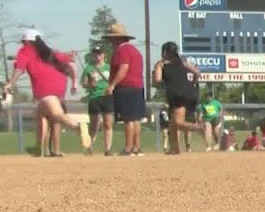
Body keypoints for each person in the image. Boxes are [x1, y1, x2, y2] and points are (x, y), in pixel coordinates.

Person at [2, 29, 91, 155]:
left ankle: (77, 126)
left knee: (57, 114)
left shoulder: (25, 50)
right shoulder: (50, 52)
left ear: (26, 41)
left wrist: (10, 83)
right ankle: (38, 149)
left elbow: (19, 69)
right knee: (41, 115)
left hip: (44, 87)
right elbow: (69, 62)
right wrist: (74, 81)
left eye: (23, 41)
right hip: (59, 86)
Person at [152, 41, 206, 155]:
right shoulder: (183, 62)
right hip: (192, 93)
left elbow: (157, 80)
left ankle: (198, 128)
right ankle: (174, 148)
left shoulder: (161, 64)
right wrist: (193, 81)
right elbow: (197, 73)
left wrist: (159, 78)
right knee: (172, 123)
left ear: (165, 52)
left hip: (177, 94)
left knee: (177, 122)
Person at [103, 23, 146, 156]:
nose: (110, 42)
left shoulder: (122, 50)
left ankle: (128, 148)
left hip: (125, 87)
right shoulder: (135, 50)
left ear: (117, 39)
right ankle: (136, 147)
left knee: (128, 119)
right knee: (135, 119)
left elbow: (124, 68)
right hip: (138, 87)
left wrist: (112, 85)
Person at [81, 47, 114, 156]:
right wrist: (90, 84)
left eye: (99, 54)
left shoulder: (109, 67)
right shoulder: (89, 68)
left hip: (107, 96)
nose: (97, 56)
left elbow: (114, 80)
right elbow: (84, 83)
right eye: (95, 54)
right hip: (94, 97)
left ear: (103, 55)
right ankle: (90, 146)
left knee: (108, 123)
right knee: (94, 124)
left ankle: (107, 149)